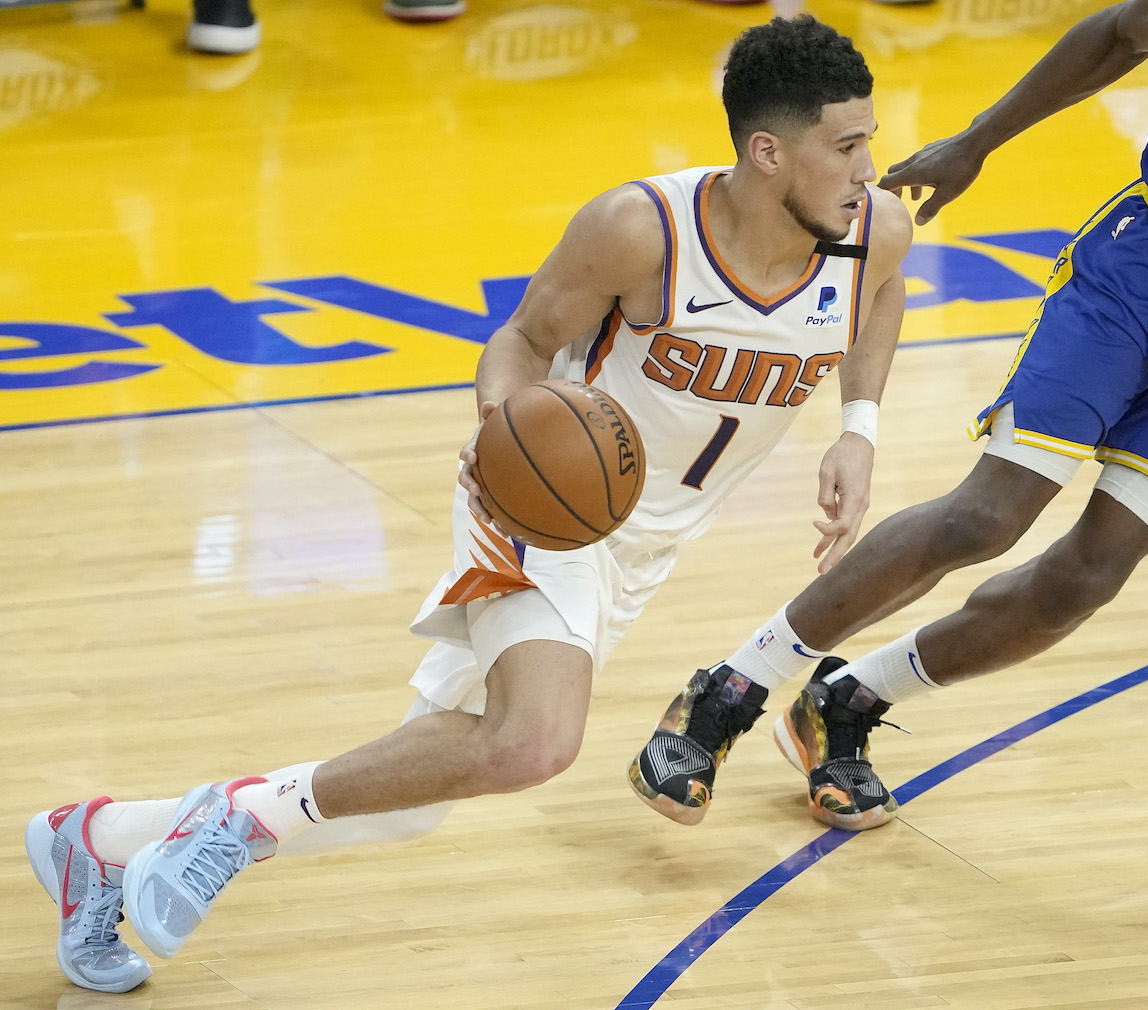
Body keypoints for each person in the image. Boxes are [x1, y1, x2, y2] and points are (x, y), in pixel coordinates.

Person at [25, 14, 912, 994]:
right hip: (547, 502)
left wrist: (857, 429)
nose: (866, 165)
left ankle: (95, 840)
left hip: (643, 544)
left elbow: (876, 302)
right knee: (536, 739)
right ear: (766, 149)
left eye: (866, 140)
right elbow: (522, 340)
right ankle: (237, 822)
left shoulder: (870, 231)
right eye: (846, 144)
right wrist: (505, 427)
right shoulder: (640, 229)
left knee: (426, 788)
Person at [629, 0, 1148, 833]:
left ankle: (847, 701)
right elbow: (1115, 32)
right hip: (1145, 274)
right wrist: (977, 141)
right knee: (985, 517)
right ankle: (730, 689)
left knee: (1087, 578)